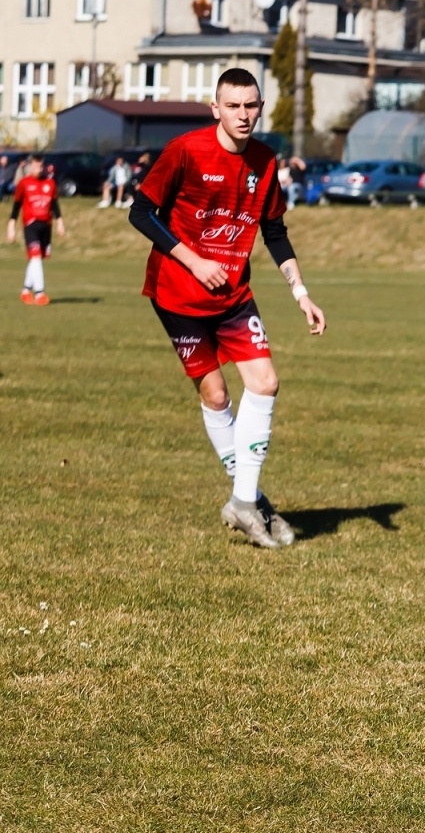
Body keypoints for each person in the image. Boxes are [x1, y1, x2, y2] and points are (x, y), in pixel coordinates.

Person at [126, 67, 327, 549]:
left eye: (250, 105)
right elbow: (141, 212)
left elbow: (274, 232)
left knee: (266, 382)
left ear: (261, 108)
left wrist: (301, 293)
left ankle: (242, 500)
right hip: (177, 295)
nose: (243, 114)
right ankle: (250, 499)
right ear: (215, 108)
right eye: (232, 105)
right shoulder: (185, 151)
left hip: (234, 295)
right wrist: (194, 261)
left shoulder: (265, 161)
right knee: (216, 396)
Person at [7, 155, 66, 305]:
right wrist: (11, 225)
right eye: (35, 166)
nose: (38, 169)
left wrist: (60, 222)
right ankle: (40, 293)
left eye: (40, 166)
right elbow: (16, 205)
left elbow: (54, 204)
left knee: (36, 259)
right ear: (29, 166)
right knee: (35, 257)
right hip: (30, 224)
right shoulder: (24, 183)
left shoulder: (50, 183)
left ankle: (26, 291)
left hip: (46, 225)